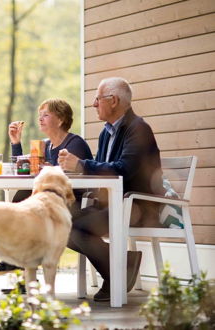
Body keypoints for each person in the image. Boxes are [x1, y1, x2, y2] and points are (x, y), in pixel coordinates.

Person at [58, 77, 165, 302]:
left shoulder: (139, 129)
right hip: (112, 204)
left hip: (139, 207)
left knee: (74, 227)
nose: (94, 104)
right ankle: (122, 266)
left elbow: (123, 170)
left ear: (113, 100)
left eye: (98, 99)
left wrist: (80, 164)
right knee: (60, 222)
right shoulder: (106, 132)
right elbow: (103, 171)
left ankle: (116, 273)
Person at [0, 98, 93, 276]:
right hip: (48, 203)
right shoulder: (44, 145)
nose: (40, 119)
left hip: (72, 203)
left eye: (46, 115)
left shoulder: (75, 143)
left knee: (25, 205)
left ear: (60, 120)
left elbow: (75, 182)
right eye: (39, 115)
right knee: (23, 198)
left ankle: (17, 264)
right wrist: (16, 142)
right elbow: (25, 169)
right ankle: (21, 269)